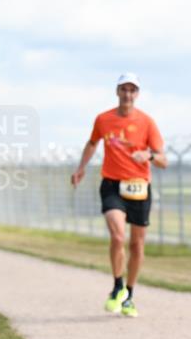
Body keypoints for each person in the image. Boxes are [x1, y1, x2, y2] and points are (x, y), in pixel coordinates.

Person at [71, 73, 167, 317]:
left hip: (139, 187)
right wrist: (81, 168)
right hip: (112, 185)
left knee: (137, 244)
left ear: (137, 94)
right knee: (117, 235)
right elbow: (92, 143)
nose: (127, 94)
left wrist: (149, 155)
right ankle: (117, 286)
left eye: (132, 90)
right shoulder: (103, 119)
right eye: (124, 89)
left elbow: (163, 160)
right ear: (117, 91)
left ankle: (129, 295)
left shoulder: (147, 122)